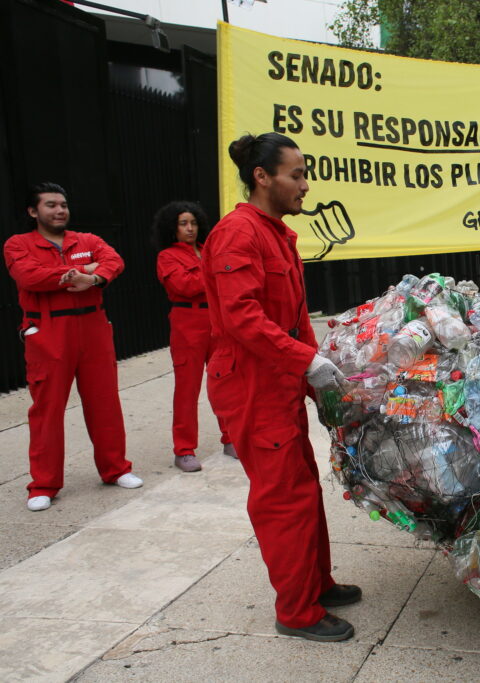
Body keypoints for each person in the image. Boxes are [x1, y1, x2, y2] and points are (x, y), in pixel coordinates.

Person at [202, 133, 359, 642]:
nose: (305, 186)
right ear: (261, 177)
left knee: (303, 487)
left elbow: (293, 319)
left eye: (304, 174)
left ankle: (316, 583)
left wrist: (318, 376)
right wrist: (303, 361)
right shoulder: (237, 235)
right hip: (251, 384)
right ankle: (297, 612)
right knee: (282, 498)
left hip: (277, 378)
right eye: (296, 174)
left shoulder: (277, 234)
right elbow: (242, 317)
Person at [4, 182, 142, 512]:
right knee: (47, 411)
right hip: (48, 333)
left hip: (93, 328)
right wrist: (83, 270)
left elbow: (114, 260)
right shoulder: (18, 244)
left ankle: (116, 469)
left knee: (105, 403)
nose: (59, 210)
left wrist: (95, 278)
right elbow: (29, 276)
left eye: (63, 204)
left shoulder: (87, 240)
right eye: (50, 205)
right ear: (33, 211)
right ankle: (44, 484)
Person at [152, 201, 234, 473]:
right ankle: (184, 449)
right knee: (187, 389)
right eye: (183, 223)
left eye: (193, 223)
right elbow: (184, 286)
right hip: (187, 322)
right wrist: (213, 272)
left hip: (215, 320)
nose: (189, 228)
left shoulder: (206, 251)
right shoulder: (167, 256)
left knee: (223, 382)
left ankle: (231, 438)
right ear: (172, 228)